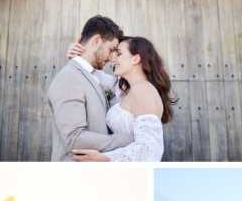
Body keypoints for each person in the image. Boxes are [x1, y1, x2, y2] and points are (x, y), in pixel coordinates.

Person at [68, 35, 175, 163]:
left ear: (135, 59)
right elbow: (92, 75)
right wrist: (78, 57)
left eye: (118, 54)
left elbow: (150, 150)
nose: (113, 59)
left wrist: (105, 158)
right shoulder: (125, 90)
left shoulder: (143, 91)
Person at [47, 16, 133, 162]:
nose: (112, 58)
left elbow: (124, 85)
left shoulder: (94, 76)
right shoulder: (69, 78)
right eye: (111, 49)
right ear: (96, 41)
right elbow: (74, 138)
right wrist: (130, 139)